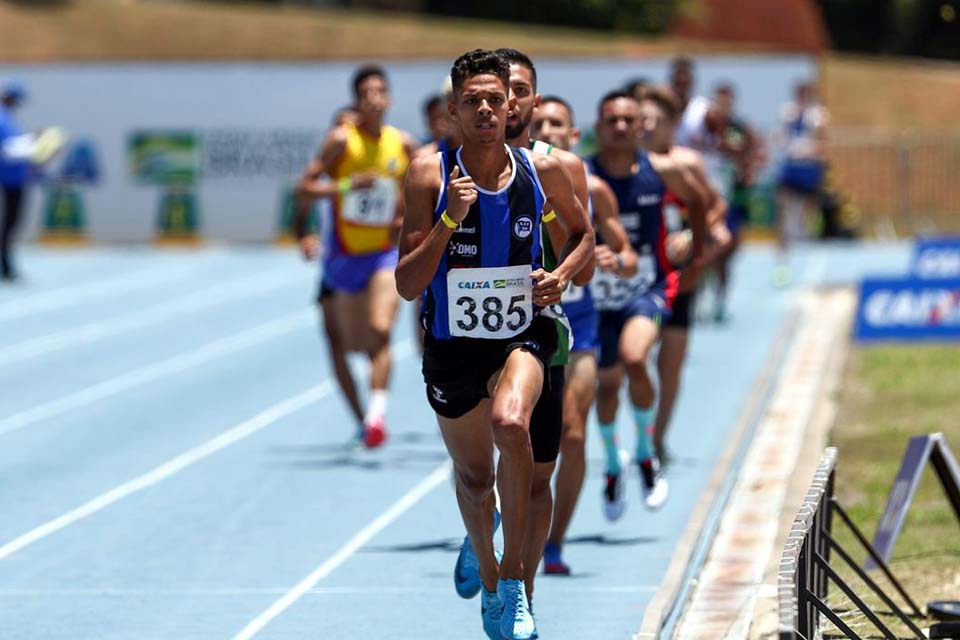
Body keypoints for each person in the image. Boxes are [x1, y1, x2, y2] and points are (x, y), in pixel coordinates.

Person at [397, 49, 593, 640]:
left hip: (523, 333)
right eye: (471, 101)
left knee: (512, 424)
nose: (485, 109)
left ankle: (513, 583)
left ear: (512, 107)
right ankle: (487, 575)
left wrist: (561, 276)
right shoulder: (428, 175)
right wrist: (449, 220)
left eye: (495, 99)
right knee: (476, 482)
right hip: (452, 345)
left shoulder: (543, 172)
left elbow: (584, 238)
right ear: (452, 112)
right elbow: (407, 283)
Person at [493, 47, 595, 591]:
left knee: (535, 473)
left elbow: (584, 255)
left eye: (521, 90)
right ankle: (481, 523)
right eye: (501, 89)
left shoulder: (561, 167)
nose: (510, 101)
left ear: (534, 98)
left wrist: (560, 274)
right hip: (469, 334)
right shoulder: (447, 164)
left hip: (540, 327)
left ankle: (522, 592)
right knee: (479, 469)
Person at [529, 95, 637, 574]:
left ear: (573, 136)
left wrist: (616, 258)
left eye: (557, 123)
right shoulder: (508, 180)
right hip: (523, 322)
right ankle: (495, 521)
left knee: (573, 434)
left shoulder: (595, 188)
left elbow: (628, 255)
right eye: (539, 123)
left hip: (579, 321)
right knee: (512, 435)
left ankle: (554, 542)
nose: (547, 131)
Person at [588, 88, 708, 517]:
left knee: (635, 358)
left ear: (640, 126)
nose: (621, 128)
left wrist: (693, 246)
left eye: (629, 120)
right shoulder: (579, 175)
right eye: (612, 121)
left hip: (648, 287)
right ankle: (612, 463)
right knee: (607, 385)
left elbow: (702, 203)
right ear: (598, 128)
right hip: (597, 295)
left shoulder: (663, 171)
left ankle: (645, 452)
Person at [295, 66, 417, 448]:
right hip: (344, 256)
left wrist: (405, 216)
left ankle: (376, 417)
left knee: (380, 330)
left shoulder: (403, 144)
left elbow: (423, 187)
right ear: (357, 101)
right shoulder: (341, 141)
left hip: (384, 253)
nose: (374, 99)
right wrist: (348, 185)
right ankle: (361, 418)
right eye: (366, 93)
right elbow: (304, 188)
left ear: (389, 98)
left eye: (380, 91)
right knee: (349, 345)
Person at [293, 106, 367, 436]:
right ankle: (362, 420)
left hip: (367, 266)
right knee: (335, 344)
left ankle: (377, 404)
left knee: (368, 342)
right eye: (340, 129)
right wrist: (304, 237)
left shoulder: (372, 175)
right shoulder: (320, 182)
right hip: (331, 270)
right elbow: (301, 213)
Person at [775, 80, 829, 286]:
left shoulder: (817, 114)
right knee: (784, 218)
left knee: (810, 217)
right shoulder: (788, 112)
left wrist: (819, 159)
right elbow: (782, 136)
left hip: (809, 168)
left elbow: (822, 140)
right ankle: (782, 265)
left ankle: (810, 265)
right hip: (792, 168)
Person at [0, 80, 32, 282]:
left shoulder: (8, 118)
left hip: (14, 178)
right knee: (9, 223)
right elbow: (8, 150)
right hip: (8, 178)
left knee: (11, 223)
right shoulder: (3, 119)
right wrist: (33, 147)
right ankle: (5, 265)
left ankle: (6, 264)